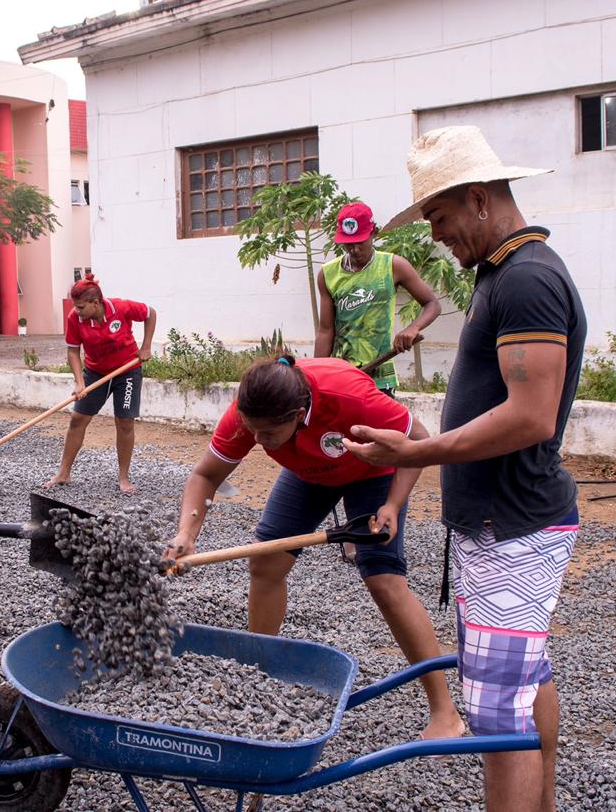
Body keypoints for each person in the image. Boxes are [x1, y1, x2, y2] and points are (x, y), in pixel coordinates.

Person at [343, 125, 585, 812]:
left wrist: (414, 452)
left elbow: (532, 414)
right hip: (500, 521)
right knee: (522, 677)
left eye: (439, 218)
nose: (435, 236)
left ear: (479, 199)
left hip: (516, 522)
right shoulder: (502, 271)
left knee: (497, 714)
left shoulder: (529, 279)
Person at [164, 356, 465, 742]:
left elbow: (419, 440)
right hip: (309, 473)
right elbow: (206, 475)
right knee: (265, 562)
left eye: (268, 434)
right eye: (251, 430)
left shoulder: (349, 398)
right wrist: (186, 533)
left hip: (374, 470)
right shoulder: (250, 415)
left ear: (300, 413)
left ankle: (445, 712)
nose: (256, 441)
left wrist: (392, 504)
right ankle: (259, 674)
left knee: (384, 581)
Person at [315, 201, 441, 397]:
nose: (354, 250)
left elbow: (432, 304)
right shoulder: (328, 274)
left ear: (374, 232)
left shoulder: (392, 266)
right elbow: (325, 331)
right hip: (342, 375)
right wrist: (318, 377)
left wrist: (413, 328)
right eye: (348, 244)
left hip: (380, 377)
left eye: (360, 242)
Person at [45, 273, 156, 494]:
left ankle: (123, 478)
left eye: (81, 307)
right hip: (96, 373)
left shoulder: (121, 308)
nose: (77, 311)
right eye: (75, 307)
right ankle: (63, 473)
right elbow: (73, 351)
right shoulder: (74, 318)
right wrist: (79, 382)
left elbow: (150, 313)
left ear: (96, 303)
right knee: (77, 420)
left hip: (127, 371)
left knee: (125, 422)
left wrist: (146, 346)